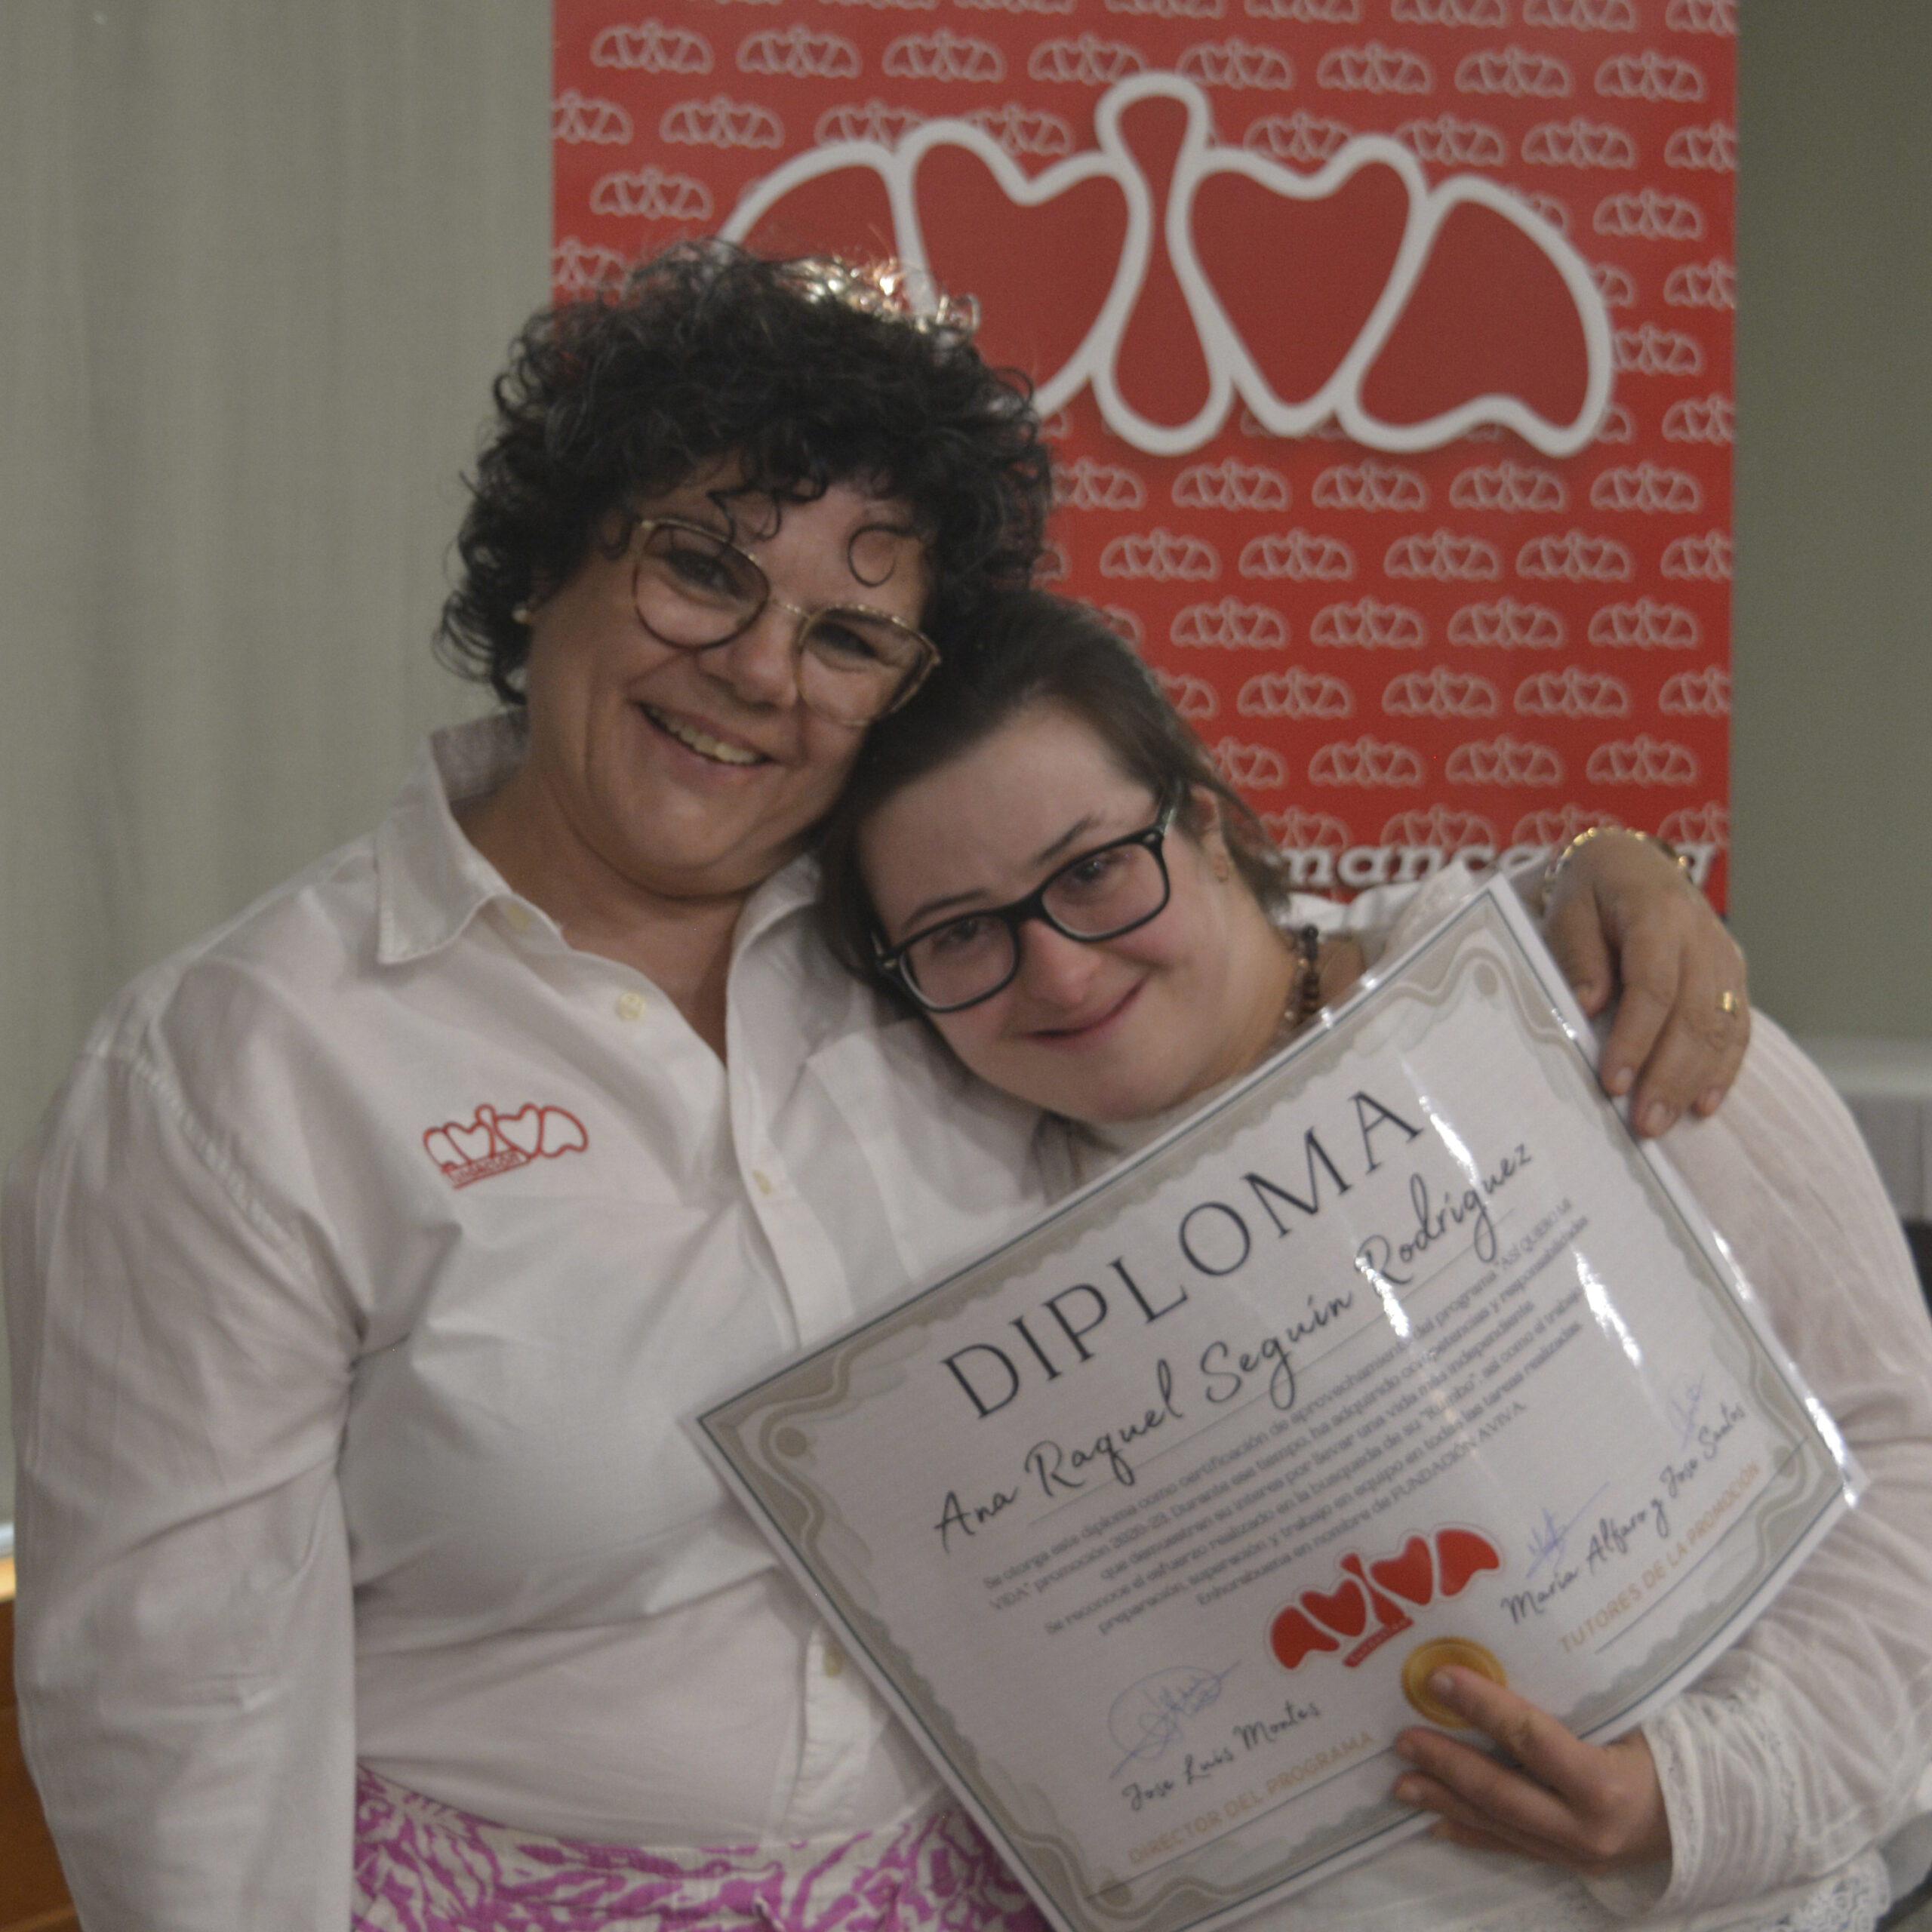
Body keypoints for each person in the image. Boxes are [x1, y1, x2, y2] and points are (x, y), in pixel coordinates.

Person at [4, 244, 1752, 1932]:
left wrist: (1575, 883)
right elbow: (179, 1707)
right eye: (702, 567)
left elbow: (1251, 978)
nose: (762, 668)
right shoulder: (244, 1065)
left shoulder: (946, 950)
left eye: (849, 635)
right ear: (546, 560)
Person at [820, 588, 1932, 1932]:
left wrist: (1688, 1803)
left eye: (1095, 869)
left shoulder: (1586, 1001)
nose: (1055, 972)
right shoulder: (964, 1209)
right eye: (959, 933)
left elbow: (1901, 1459)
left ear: (1206, 823)